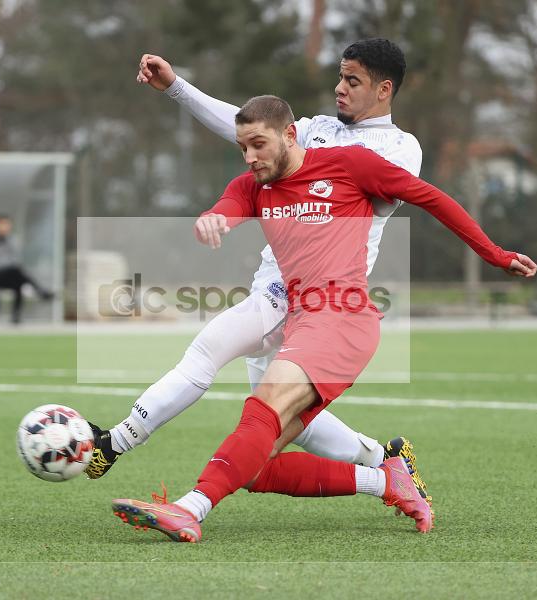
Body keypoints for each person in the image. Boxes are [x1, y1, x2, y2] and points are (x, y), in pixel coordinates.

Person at [111, 95, 537, 542]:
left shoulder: (350, 164)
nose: (250, 157)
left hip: (343, 318)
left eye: (258, 144)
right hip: (303, 321)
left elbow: (431, 198)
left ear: (290, 135)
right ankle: (386, 479)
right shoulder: (251, 186)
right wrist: (212, 221)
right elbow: (225, 208)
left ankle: (188, 509)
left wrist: (496, 254)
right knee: (254, 468)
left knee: (261, 413)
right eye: (243, 148)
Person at [88, 40, 428, 497]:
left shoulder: (401, 147)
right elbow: (249, 127)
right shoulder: (319, 128)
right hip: (276, 284)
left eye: (353, 81)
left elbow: (379, 197)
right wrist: (176, 88)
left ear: (384, 90)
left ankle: (113, 444)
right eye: (340, 77)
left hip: (312, 298)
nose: (339, 88)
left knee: (207, 353)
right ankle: (384, 463)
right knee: (292, 422)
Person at [0, 214, 54, 324]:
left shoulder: (12, 240)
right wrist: (9, 265)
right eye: (1, 224)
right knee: (17, 273)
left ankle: (16, 315)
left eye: (6, 224)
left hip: (9, 275)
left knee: (18, 282)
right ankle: (40, 290)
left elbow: (16, 259)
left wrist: (9, 265)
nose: (4, 227)